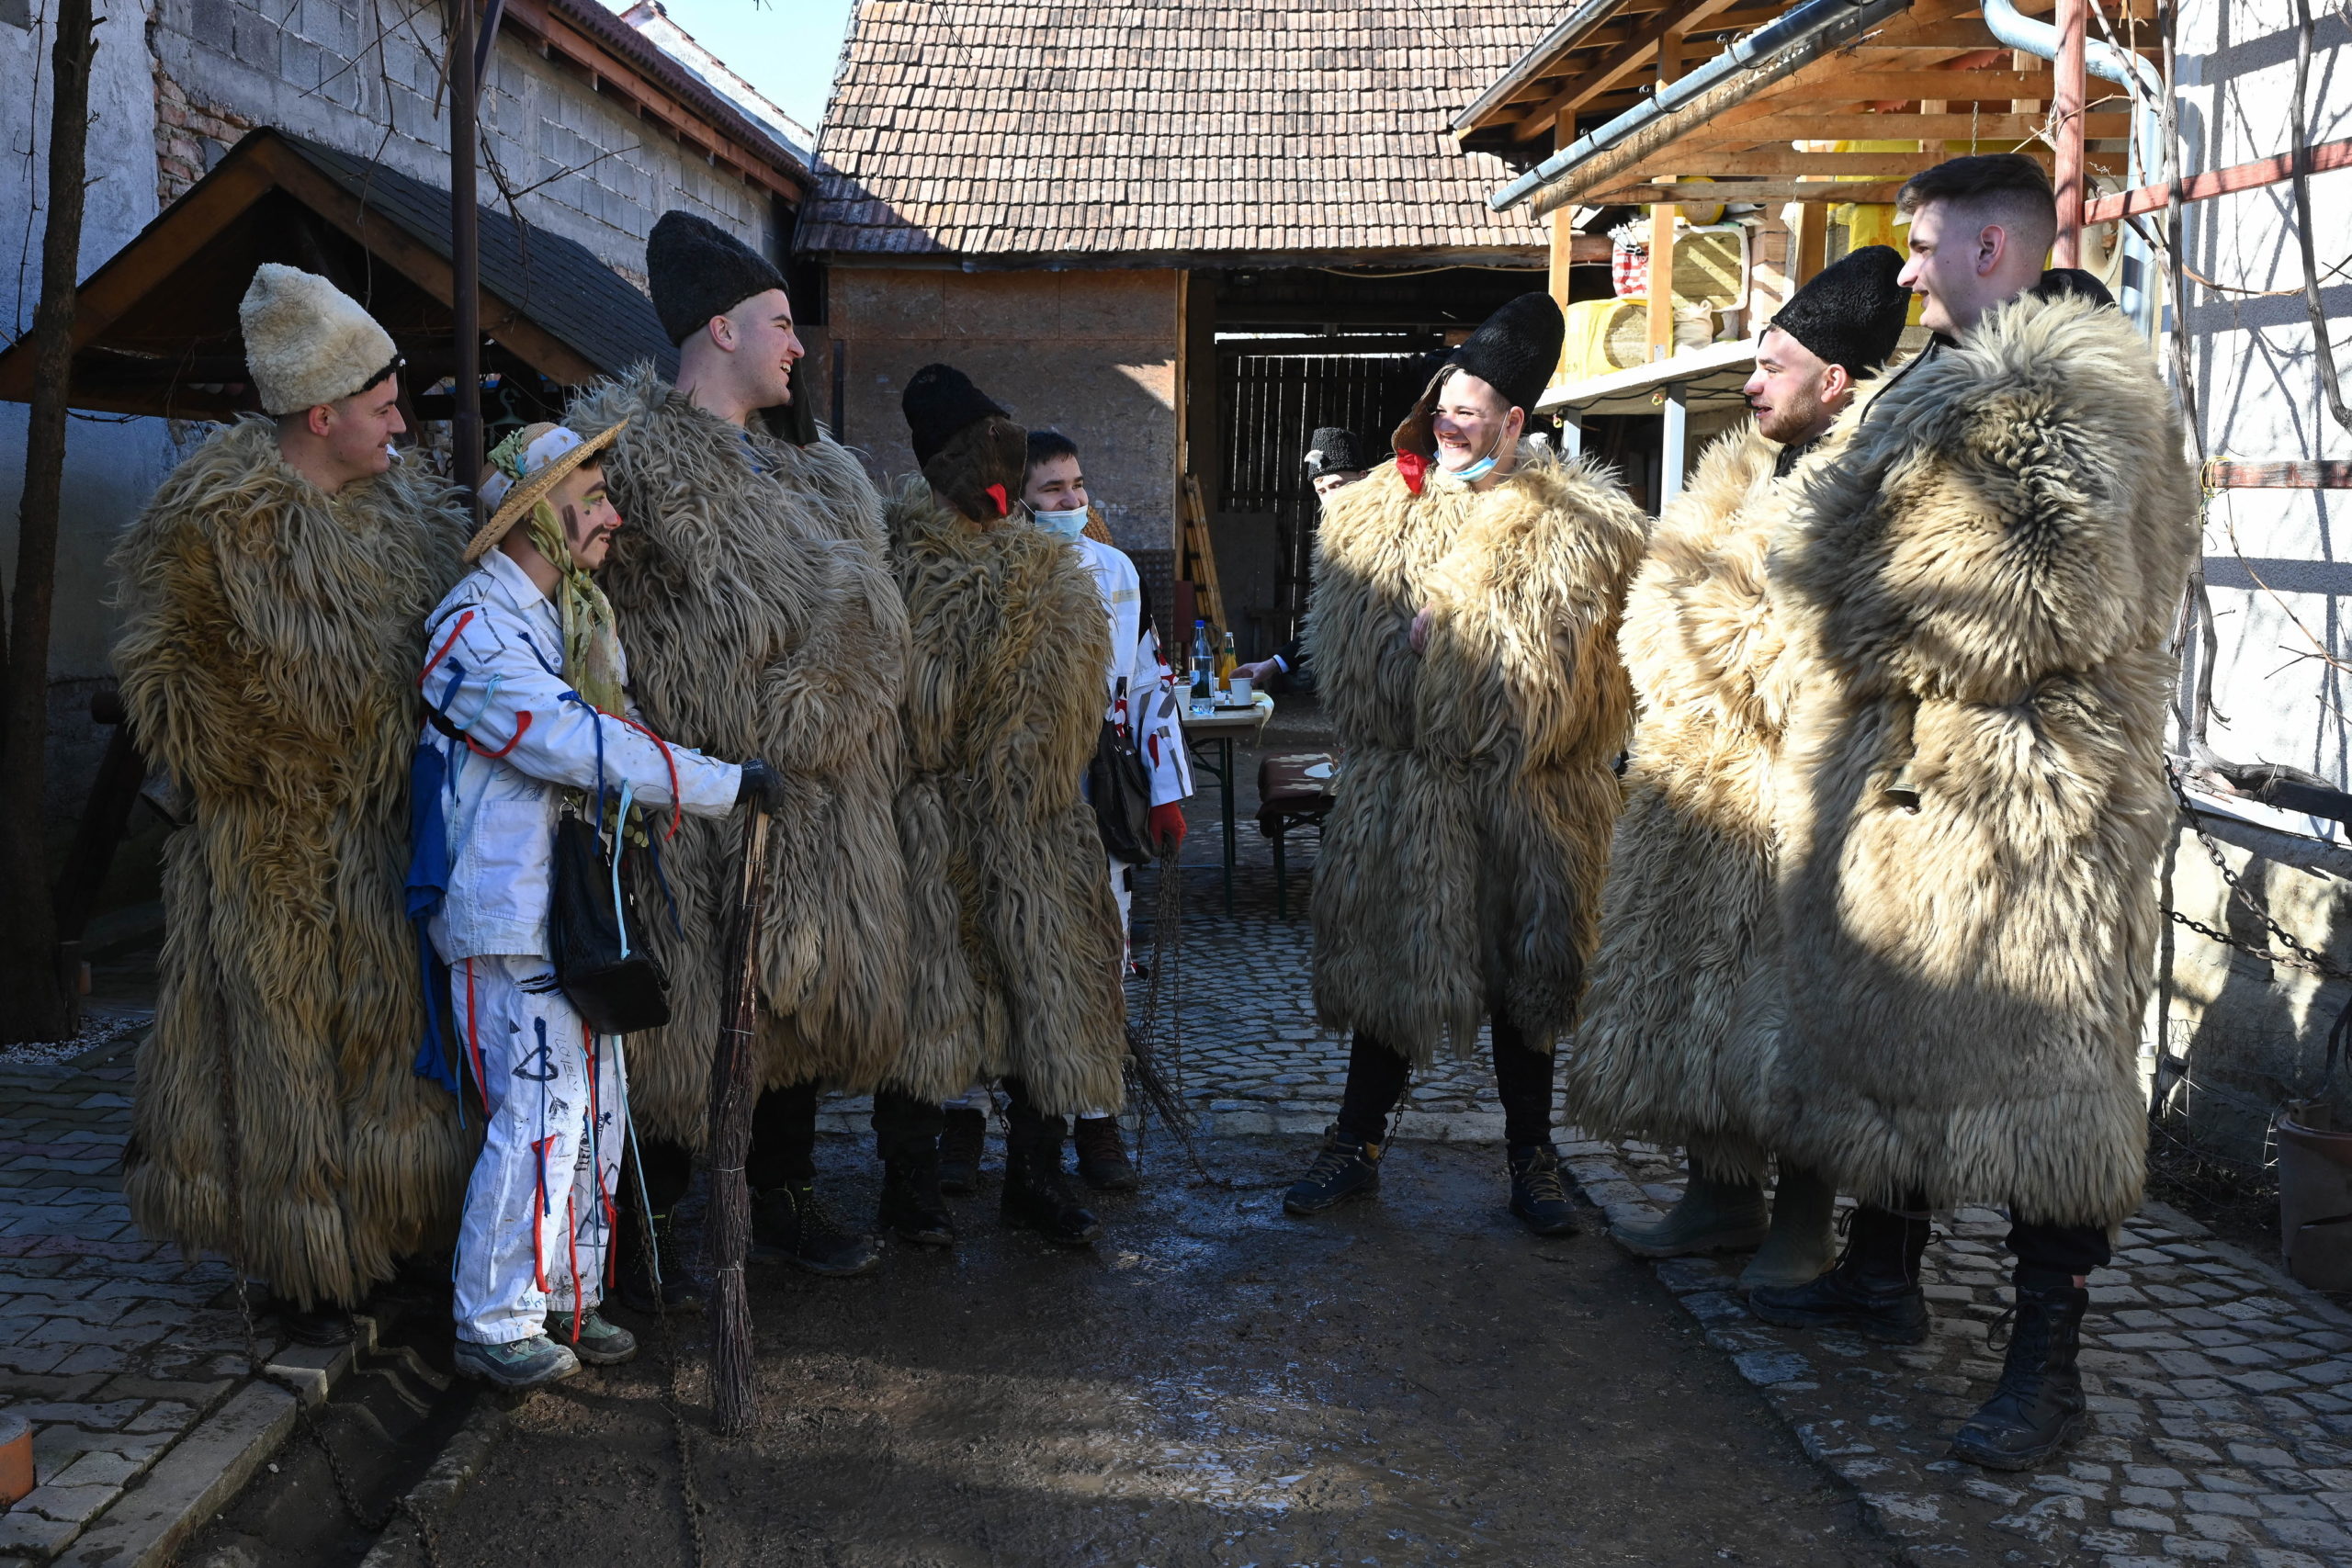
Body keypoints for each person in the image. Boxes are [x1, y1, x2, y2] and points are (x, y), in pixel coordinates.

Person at [1747, 153, 2197, 1470]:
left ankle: (2046, 1368)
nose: (1904, 269)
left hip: (2031, 800)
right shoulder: (1936, 386)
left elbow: (2029, 605)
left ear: (1993, 253)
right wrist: (1851, 578)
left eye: (1923, 244)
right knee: (1903, 1029)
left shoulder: (2075, 394)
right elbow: (1816, 545)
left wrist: (1852, 595)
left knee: (2046, 1078)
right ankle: (1885, 1269)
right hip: (1923, 776)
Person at [111, 265, 472, 1348]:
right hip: (271, 851)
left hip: (386, 840)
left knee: (392, 1043)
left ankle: (396, 1230)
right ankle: (302, 1260)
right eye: (381, 406)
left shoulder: (413, 515)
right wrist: (290, 749)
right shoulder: (218, 525)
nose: (401, 422)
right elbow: (172, 689)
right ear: (321, 416)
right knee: (284, 1059)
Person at [1560, 247, 1916, 1291]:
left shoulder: (1866, 483)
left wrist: (1693, 631)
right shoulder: (1740, 476)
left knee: (1789, 1016)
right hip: (1697, 784)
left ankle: (1801, 1224)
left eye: (1772, 365)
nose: (1751, 383)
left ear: (1834, 383)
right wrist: (1686, 638)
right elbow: (1649, 626)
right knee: (1694, 1000)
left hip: (1792, 795)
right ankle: (1717, 1195)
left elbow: (1804, 655)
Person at [566, 212, 912, 1281]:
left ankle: (787, 1196)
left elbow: (872, 616)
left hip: (825, 805)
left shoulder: (822, 473)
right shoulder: (630, 467)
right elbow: (613, 642)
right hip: (703, 799)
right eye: (779, 323)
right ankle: (660, 1218)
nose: (797, 346)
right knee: (693, 1009)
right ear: (718, 330)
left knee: (798, 1013)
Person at [1282, 295, 1651, 1234]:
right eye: (1446, 395)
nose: (1451, 415)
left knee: (1525, 988)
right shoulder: (1372, 513)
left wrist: (1464, 629)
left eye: (1473, 402)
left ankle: (1532, 1157)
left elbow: (1577, 673)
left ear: (1515, 420)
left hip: (1527, 801)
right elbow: (1351, 665)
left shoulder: (1578, 528)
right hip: (1404, 793)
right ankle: (1352, 1145)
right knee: (1385, 978)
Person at [413, 422, 756, 1387]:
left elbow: (606, 731)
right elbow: (567, 740)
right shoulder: (472, 628)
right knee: (539, 1112)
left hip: (573, 910)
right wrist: (721, 783)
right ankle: (494, 1319)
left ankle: (570, 1298)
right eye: (593, 495)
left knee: (596, 1109)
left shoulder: (570, 620)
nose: (612, 514)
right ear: (536, 510)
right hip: (506, 914)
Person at [887, 365, 1129, 1247]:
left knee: (1048, 998)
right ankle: (909, 1189)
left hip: (1039, 824)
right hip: (933, 825)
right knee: (928, 1007)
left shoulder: (1049, 568)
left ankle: (1038, 1177)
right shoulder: (895, 562)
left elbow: (1081, 702)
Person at [958, 427, 1193, 1194]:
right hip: (1013, 797)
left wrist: (1165, 793)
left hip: (1101, 794)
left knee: (1101, 959)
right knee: (993, 957)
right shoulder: (993, 572)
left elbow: (1151, 683)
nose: (1072, 501)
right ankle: (967, 1126)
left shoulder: (1120, 572)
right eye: (1054, 488)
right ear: (1018, 496)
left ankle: (1097, 1121)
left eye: (1078, 484)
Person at [1234, 426, 1374, 693]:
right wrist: (1273, 665)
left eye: (1337, 485)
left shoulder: (1398, 533)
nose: (1331, 498)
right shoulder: (1336, 545)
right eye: (1322, 490)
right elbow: (1326, 620)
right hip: (1358, 688)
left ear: (1363, 478)